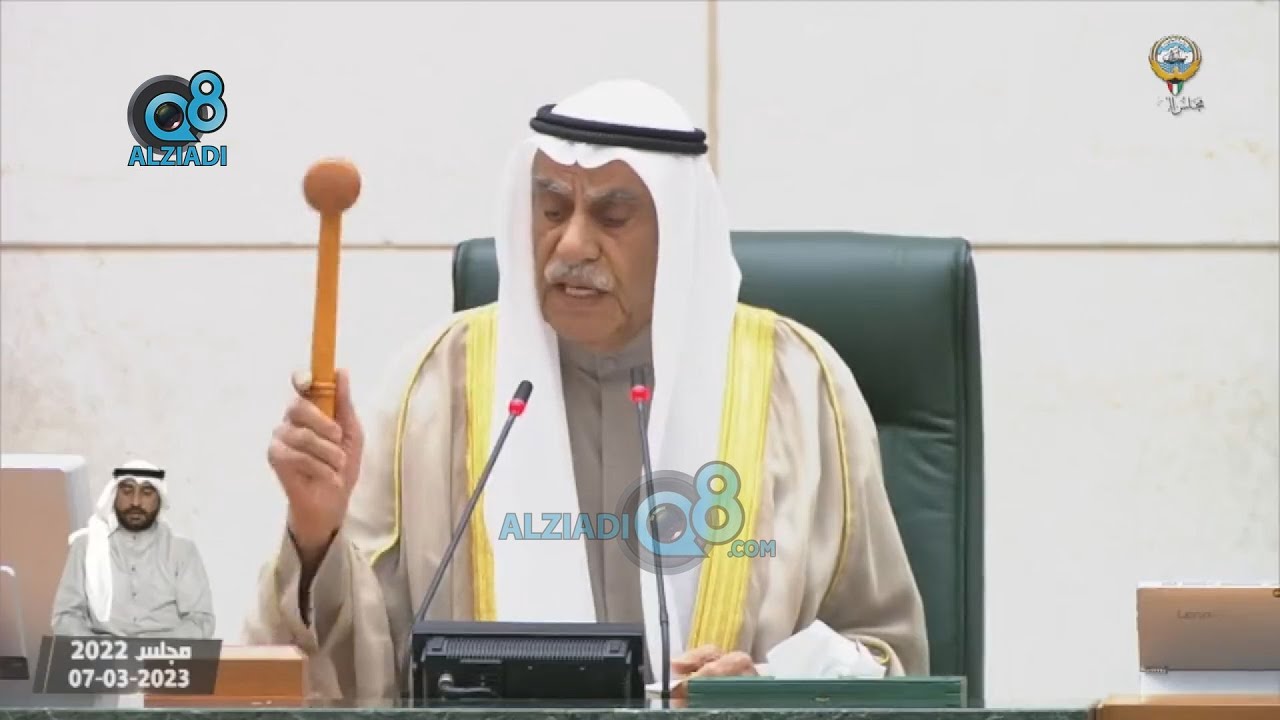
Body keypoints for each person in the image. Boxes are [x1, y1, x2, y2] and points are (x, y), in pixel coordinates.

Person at [244, 79, 928, 700]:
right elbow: (352, 673)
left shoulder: (799, 386)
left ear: (678, 231)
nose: (571, 245)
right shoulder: (437, 384)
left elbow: (888, 657)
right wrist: (316, 535)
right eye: (551, 210)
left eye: (612, 216)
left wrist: (764, 691)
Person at [51, 460, 215, 639]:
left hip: (167, 653)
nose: (136, 502)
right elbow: (65, 617)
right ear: (114, 495)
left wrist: (156, 649)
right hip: (102, 652)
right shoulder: (86, 546)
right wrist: (99, 648)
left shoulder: (182, 551)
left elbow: (200, 621)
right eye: (127, 491)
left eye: (147, 492)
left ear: (159, 498)